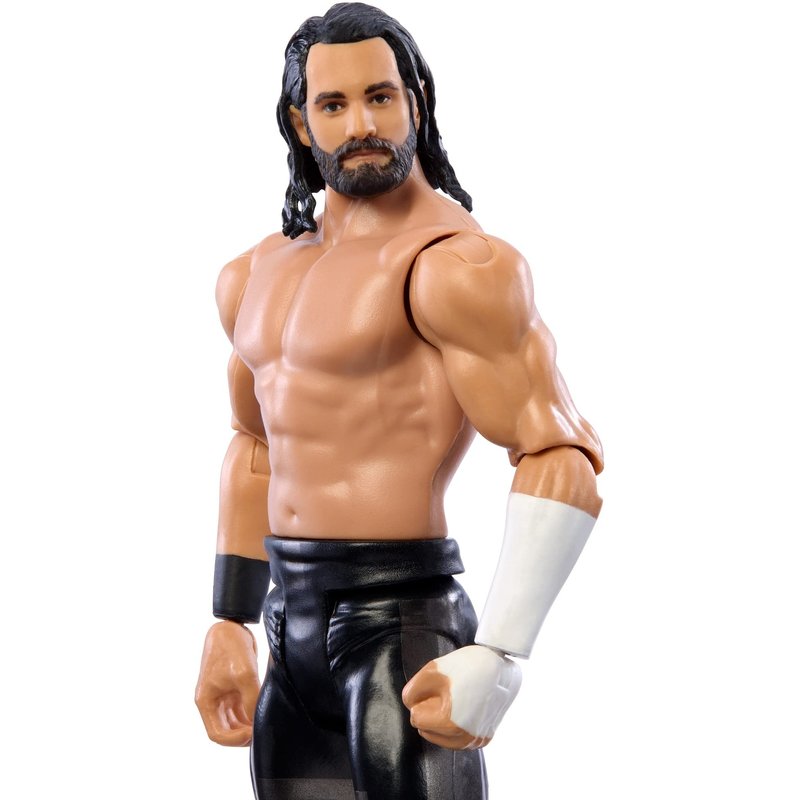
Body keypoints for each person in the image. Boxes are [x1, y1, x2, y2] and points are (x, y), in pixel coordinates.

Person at [195, 4, 603, 799]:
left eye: (380, 97)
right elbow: (255, 446)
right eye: (334, 104)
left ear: (416, 101)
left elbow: (560, 456)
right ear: (300, 122)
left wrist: (499, 651)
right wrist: (230, 620)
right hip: (288, 619)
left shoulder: (456, 266)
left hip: (399, 626)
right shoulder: (254, 276)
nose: (362, 124)